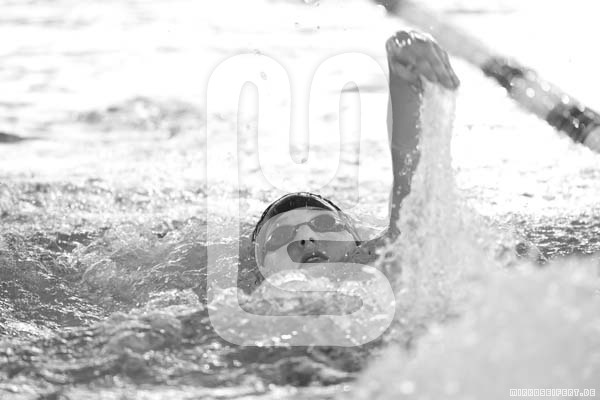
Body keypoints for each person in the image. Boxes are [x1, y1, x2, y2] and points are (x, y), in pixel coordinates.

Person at [250, 30, 460, 279]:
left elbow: (412, 200)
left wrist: (405, 73)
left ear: (358, 243)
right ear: (261, 269)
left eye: (324, 224)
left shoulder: (383, 270)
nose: (306, 237)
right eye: (280, 236)